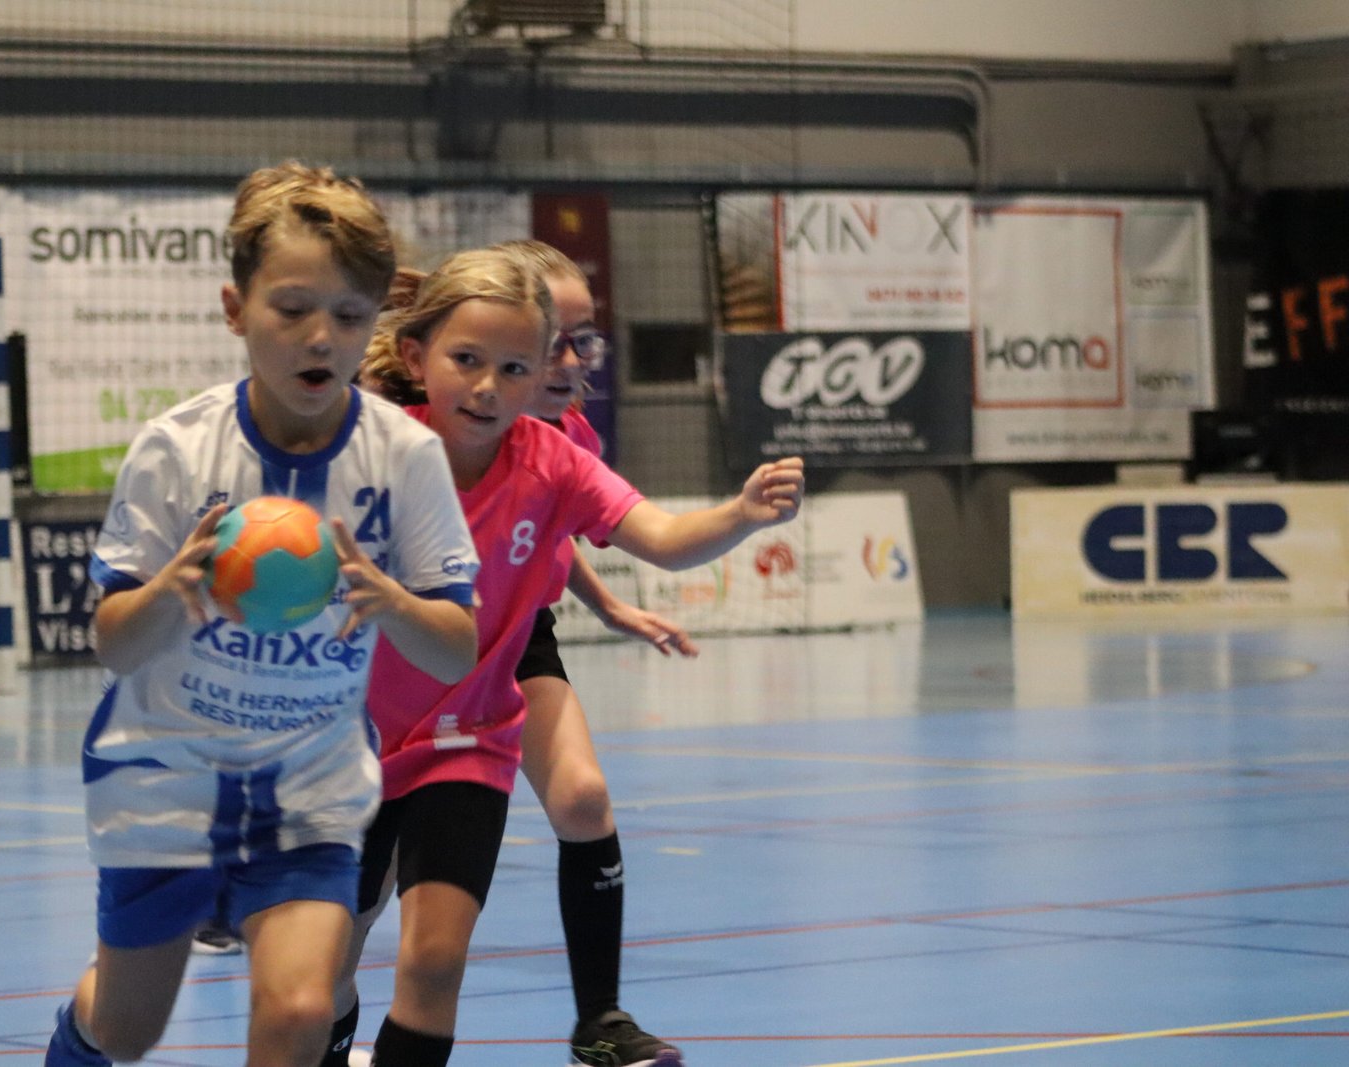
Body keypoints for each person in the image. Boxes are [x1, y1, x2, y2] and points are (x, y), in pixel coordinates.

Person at [43, 161, 480, 1067]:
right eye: (291, 309)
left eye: (350, 316)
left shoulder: (404, 456)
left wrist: (393, 600)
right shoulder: (175, 450)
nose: (321, 337)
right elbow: (114, 645)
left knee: (300, 1009)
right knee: (126, 1029)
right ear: (234, 309)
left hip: (311, 785)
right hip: (163, 778)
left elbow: (454, 652)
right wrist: (170, 591)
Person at [332, 244, 804, 1067]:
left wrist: (738, 514)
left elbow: (660, 535)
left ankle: (601, 1017)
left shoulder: (556, 458)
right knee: (323, 972)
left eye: (514, 367)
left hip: (469, 737)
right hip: (356, 741)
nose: (488, 385)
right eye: (467, 360)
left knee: (434, 959)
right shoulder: (372, 450)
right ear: (417, 358)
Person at [499, 240, 697, 1067]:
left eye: (584, 340)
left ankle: (600, 1021)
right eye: (556, 342)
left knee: (582, 798)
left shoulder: (568, 433)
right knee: (381, 872)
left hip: (518, 634)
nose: (576, 360)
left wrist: (607, 602)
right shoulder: (444, 427)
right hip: (418, 645)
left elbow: (553, 521)